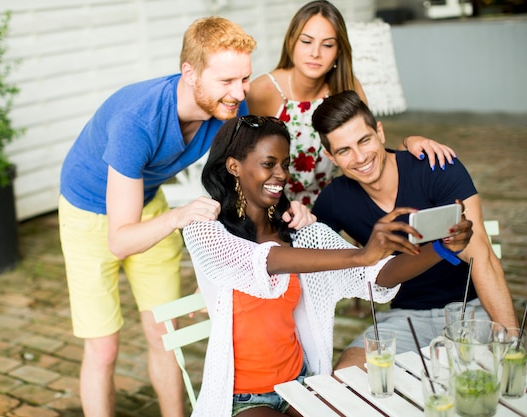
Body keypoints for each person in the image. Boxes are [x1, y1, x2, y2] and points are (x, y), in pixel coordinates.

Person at [58, 16, 317, 417]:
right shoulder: (137, 121)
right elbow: (120, 239)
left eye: (244, 79)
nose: (240, 93)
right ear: (189, 73)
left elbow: (247, 180)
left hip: (146, 202)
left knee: (165, 333)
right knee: (104, 344)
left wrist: (288, 210)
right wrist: (181, 217)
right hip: (86, 212)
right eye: (227, 81)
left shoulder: (230, 106)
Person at [182, 115, 473, 417]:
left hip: (301, 384)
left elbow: (376, 275)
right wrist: (362, 254)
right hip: (244, 398)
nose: (280, 174)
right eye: (269, 164)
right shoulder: (205, 230)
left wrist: (442, 247)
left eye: (285, 164)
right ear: (234, 167)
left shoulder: (299, 232)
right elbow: (263, 261)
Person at [310, 90, 518, 369]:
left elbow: (482, 256)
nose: (359, 157)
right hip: (405, 318)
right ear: (330, 156)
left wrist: (511, 343)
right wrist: (301, 219)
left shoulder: (436, 167)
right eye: (344, 150)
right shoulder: (334, 200)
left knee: (493, 378)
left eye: (364, 140)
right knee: (345, 377)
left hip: (470, 309)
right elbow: (310, 262)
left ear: (380, 132)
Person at [247, 0, 456, 206]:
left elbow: (370, 153)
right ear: (291, 42)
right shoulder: (262, 91)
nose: (315, 53)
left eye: (327, 44)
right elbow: (246, 165)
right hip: (273, 207)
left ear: (339, 51)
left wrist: (408, 143)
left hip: (331, 208)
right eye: (306, 41)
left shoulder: (348, 88)